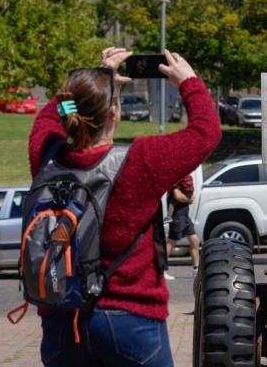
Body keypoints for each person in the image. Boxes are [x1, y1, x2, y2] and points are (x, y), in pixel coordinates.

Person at [28, 47, 221, 366]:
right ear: (115, 113)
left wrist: (94, 77)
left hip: (63, 321)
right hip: (131, 321)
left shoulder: (48, 157)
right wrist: (189, 82)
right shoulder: (139, 161)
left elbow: (48, 118)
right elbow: (206, 132)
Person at [164, 174, 200, 280]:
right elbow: (177, 196)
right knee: (172, 242)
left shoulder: (183, 180)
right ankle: (161, 271)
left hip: (185, 216)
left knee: (195, 241)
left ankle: (196, 270)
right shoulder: (176, 180)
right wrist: (188, 200)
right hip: (177, 216)